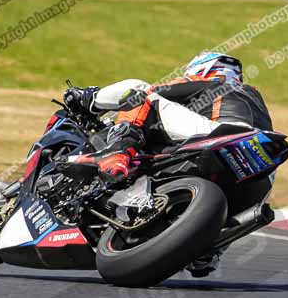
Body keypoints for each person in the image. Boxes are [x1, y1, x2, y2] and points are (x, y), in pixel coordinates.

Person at [61, 51, 276, 277]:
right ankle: (211, 250)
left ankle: (116, 154)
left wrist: (86, 99)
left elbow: (152, 92)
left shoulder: (213, 82)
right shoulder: (253, 98)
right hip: (260, 176)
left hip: (221, 137)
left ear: (201, 69)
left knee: (139, 94)